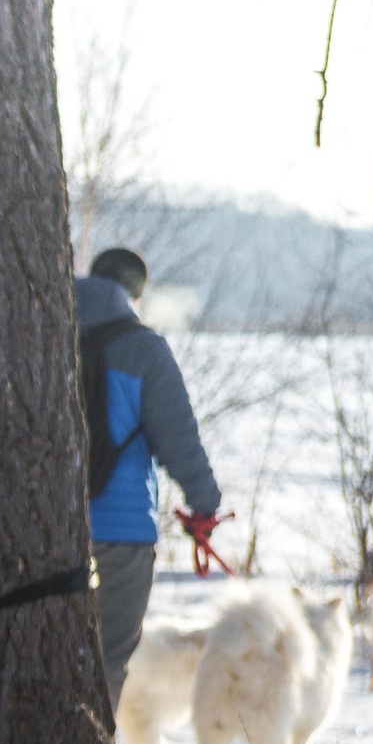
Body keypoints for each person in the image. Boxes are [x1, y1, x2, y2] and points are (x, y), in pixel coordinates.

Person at [78, 247, 221, 702]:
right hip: (121, 533)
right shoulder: (144, 349)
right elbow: (178, 438)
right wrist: (205, 503)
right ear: (135, 296)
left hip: (42, 526)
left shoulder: (39, 334)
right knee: (108, 658)